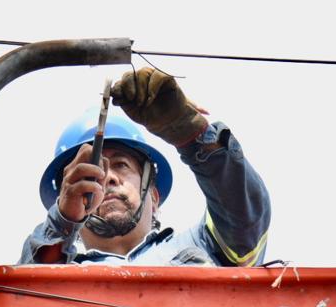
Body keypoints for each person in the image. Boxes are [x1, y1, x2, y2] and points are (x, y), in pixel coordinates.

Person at [19, 67, 270, 266]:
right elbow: (21, 298)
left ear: (154, 196)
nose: (107, 178)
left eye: (121, 164)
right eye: (91, 170)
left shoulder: (203, 250)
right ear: (63, 199)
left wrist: (191, 134)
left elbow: (243, 219)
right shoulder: (51, 276)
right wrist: (63, 221)